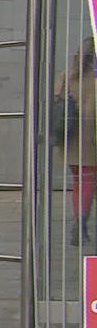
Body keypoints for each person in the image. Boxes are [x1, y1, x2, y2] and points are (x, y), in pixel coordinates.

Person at [54, 39, 97, 246]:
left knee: (81, 181)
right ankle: (80, 226)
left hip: (70, 139)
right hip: (91, 139)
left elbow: (57, 102)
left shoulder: (67, 76)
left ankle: (79, 223)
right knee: (88, 181)